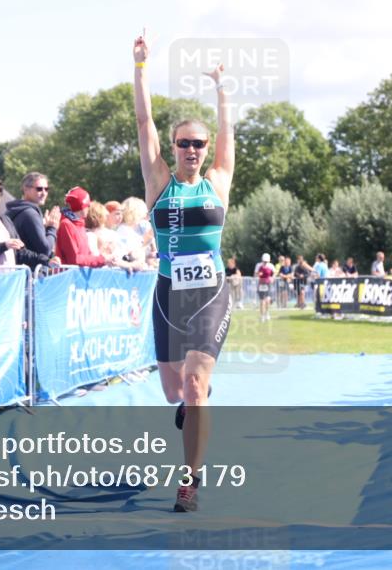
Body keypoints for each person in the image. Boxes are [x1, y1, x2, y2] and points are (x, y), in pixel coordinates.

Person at [134, 31, 233, 513]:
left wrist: (221, 87)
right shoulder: (158, 182)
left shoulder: (218, 181)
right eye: (183, 144)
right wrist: (140, 68)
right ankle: (193, 402)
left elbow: (228, 133)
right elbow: (143, 121)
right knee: (176, 390)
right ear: (173, 148)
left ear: (206, 147)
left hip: (210, 294)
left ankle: (190, 482)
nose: (191, 150)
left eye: (198, 143)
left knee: (194, 390)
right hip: (169, 294)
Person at [6, 171, 62, 269]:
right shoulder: (30, 214)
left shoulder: (18, 210)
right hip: (31, 273)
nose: (44, 193)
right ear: (26, 189)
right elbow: (45, 249)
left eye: (46, 189)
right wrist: (52, 228)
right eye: (39, 189)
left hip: (22, 271)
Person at [55, 186, 111, 268]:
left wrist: (102, 256)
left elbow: (87, 254)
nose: (89, 208)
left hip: (79, 277)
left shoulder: (80, 224)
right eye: (88, 205)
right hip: (68, 278)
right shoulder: (66, 224)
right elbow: (74, 259)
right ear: (82, 206)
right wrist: (102, 259)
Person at [254, 253, 275, 322]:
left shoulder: (271, 266)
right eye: (264, 261)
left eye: (266, 261)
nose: (265, 262)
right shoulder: (258, 265)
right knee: (262, 300)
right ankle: (262, 315)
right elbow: (255, 274)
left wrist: (272, 278)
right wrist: (258, 275)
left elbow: (274, 274)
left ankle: (266, 314)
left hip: (267, 284)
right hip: (261, 283)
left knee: (267, 299)